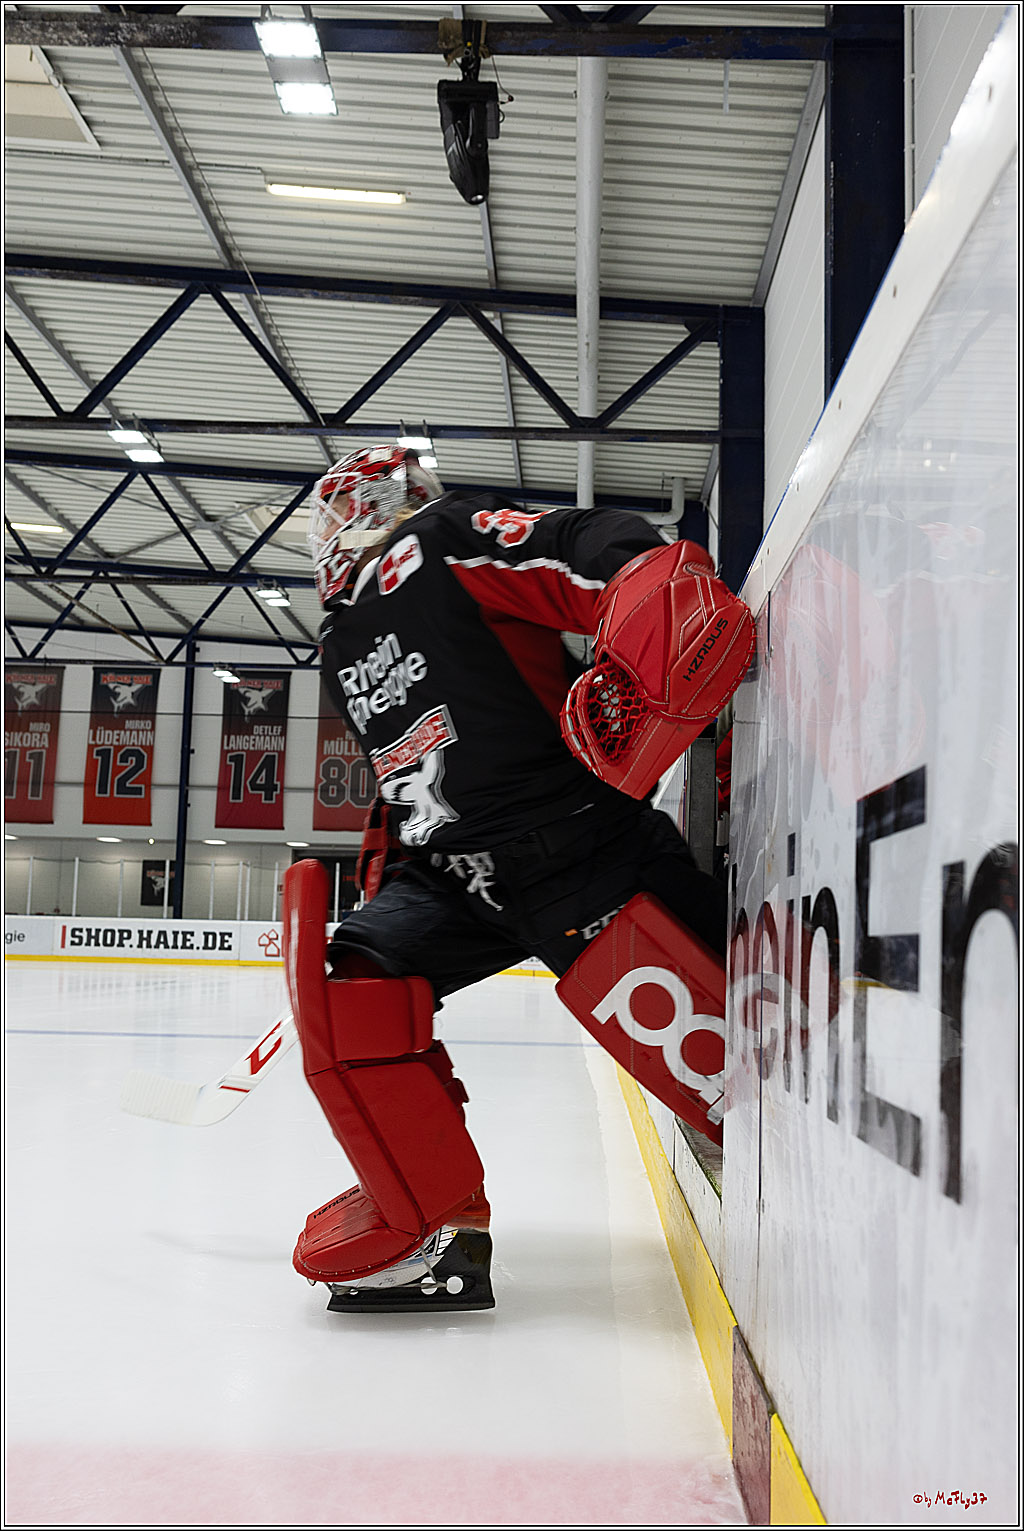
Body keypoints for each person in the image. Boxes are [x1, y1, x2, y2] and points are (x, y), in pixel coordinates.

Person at [281, 444, 754, 1312]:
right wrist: (388, 875)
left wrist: (648, 588)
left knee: (757, 1085)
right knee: (354, 985)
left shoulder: (441, 537)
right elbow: (404, 771)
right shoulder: (340, 638)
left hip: (575, 848)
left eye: (331, 516)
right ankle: (438, 1232)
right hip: (450, 875)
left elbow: (583, 541)